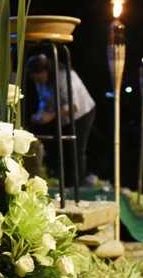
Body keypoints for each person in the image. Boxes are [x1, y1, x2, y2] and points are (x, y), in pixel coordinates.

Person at [26, 54, 96, 185]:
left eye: (38, 76)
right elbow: (43, 100)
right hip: (63, 116)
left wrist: (50, 115)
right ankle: (67, 184)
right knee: (63, 149)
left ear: (45, 71)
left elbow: (73, 106)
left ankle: (78, 185)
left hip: (82, 113)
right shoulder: (39, 81)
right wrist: (39, 115)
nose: (36, 80)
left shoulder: (64, 76)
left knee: (76, 149)